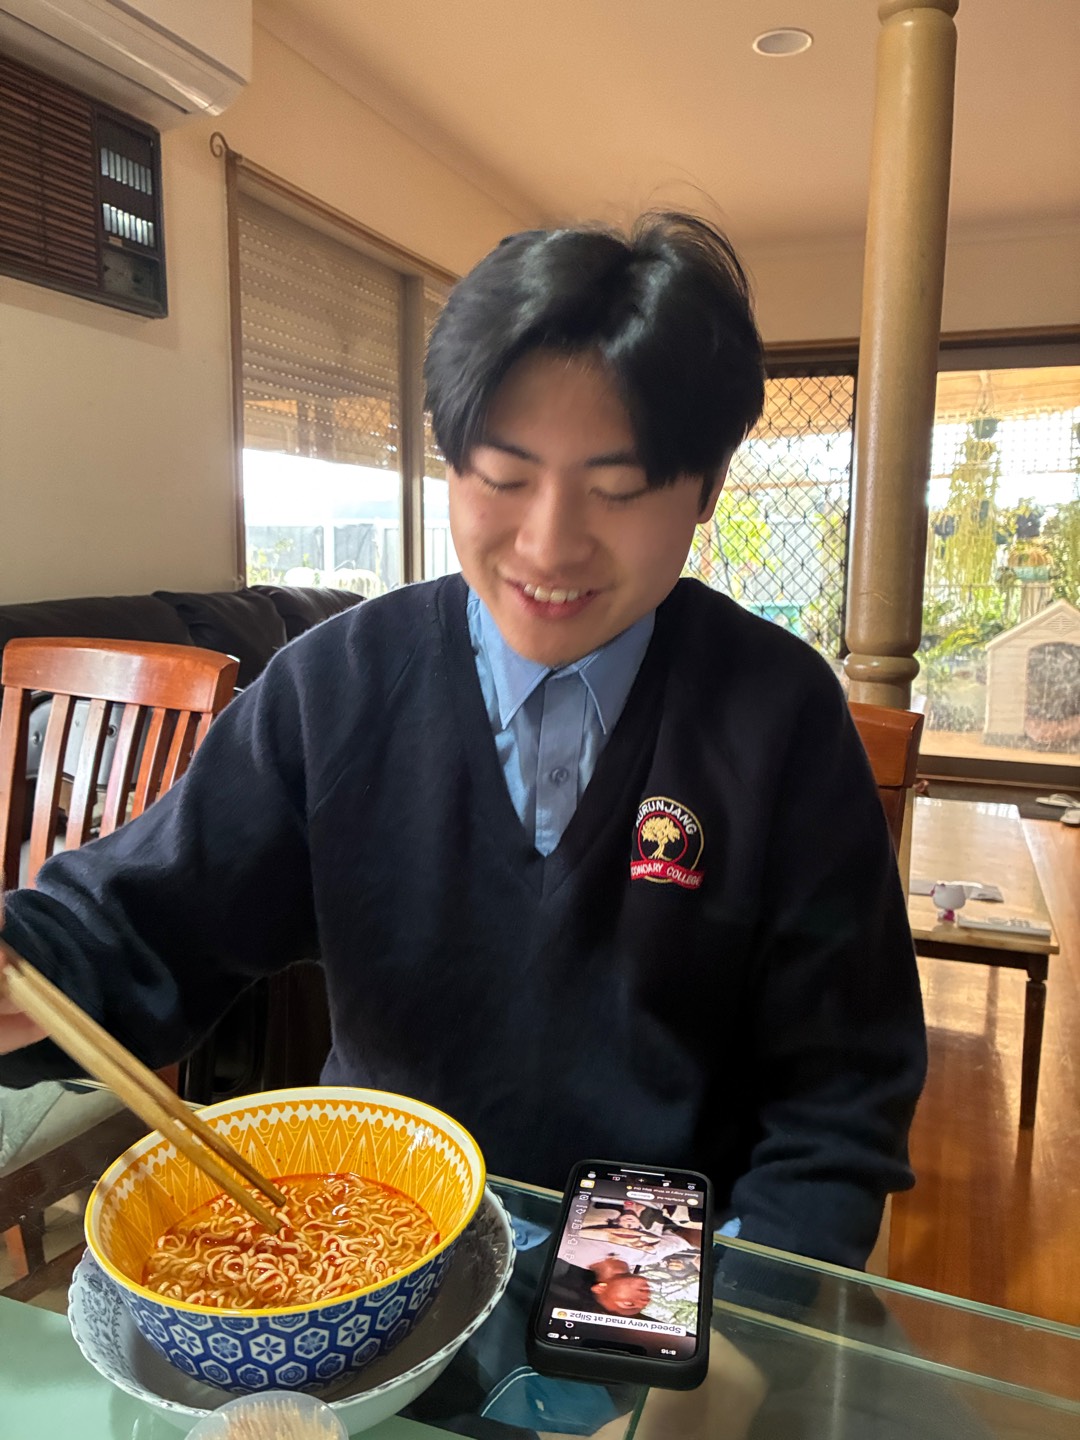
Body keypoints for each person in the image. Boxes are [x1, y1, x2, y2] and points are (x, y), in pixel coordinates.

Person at [0, 211, 926, 1274]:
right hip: (372, 1245)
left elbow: (842, 1094)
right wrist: (24, 964)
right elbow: (138, 927)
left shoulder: (779, 715)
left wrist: (757, 1315)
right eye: (501, 475)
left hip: (661, 1278)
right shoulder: (334, 687)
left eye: (618, 490)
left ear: (707, 488)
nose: (549, 544)